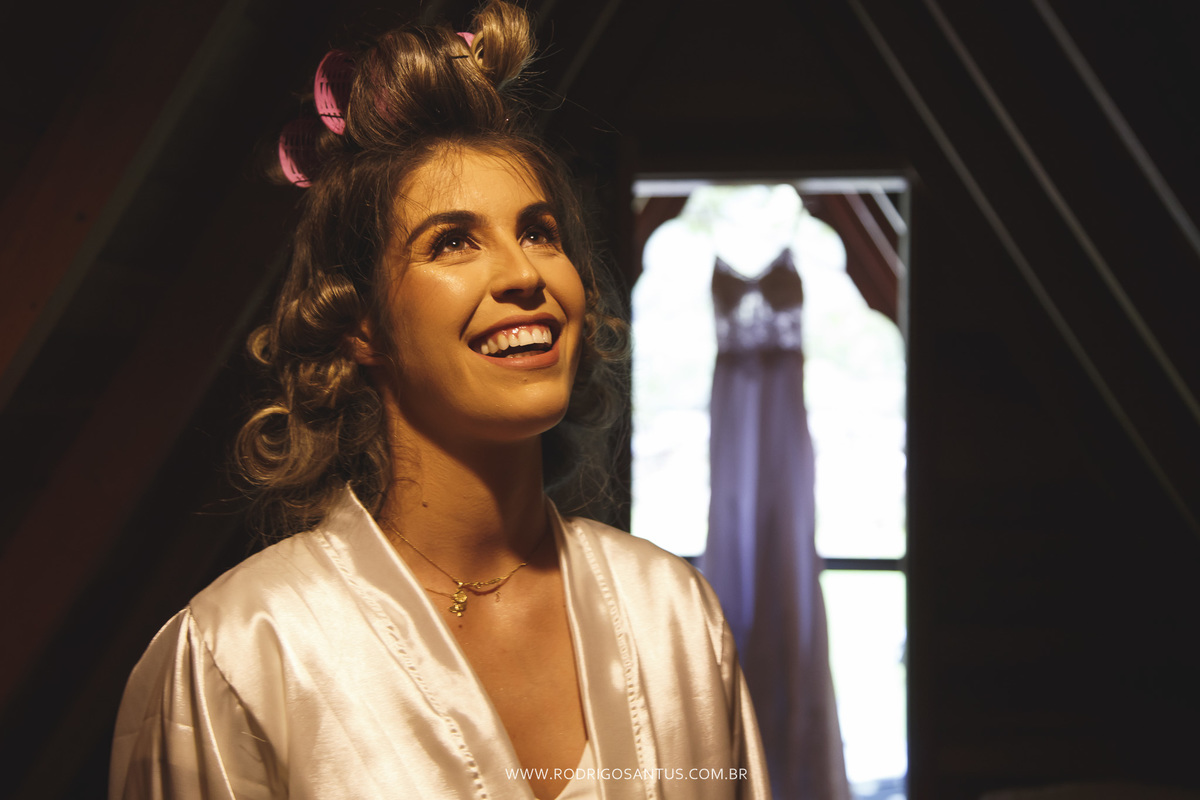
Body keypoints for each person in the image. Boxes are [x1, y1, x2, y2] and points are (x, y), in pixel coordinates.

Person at [108, 2, 769, 798]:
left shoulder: (677, 619)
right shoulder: (241, 655)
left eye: (539, 232)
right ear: (360, 324)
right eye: (453, 242)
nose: (524, 274)